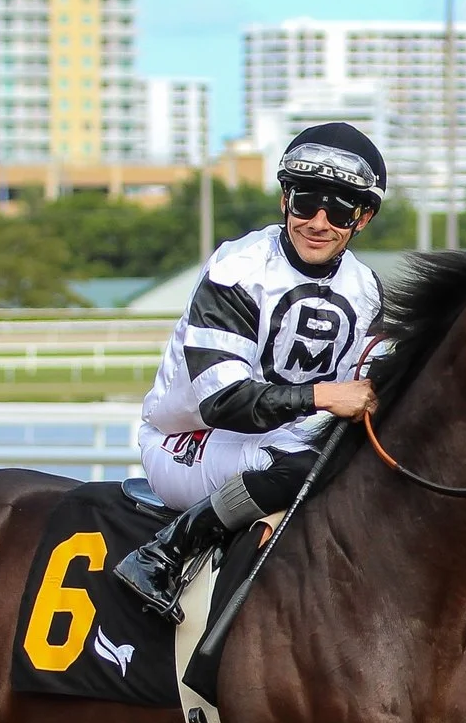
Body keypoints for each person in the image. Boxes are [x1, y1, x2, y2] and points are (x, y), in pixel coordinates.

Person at [113, 123, 387, 618]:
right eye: (306, 202)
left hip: (290, 441)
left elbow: (368, 392)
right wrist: (324, 396)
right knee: (306, 468)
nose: (318, 222)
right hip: (191, 439)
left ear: (362, 218)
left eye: (339, 211)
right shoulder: (238, 269)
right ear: (285, 200)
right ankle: (164, 552)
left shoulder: (366, 288)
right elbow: (225, 401)